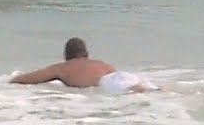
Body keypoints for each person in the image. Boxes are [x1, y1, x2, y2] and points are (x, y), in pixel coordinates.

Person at [9, 37, 157, 94]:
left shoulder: (62, 68)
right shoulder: (102, 64)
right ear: (87, 53)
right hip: (123, 77)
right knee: (143, 89)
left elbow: (27, 79)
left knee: (130, 91)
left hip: (106, 85)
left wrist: (9, 80)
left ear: (66, 55)